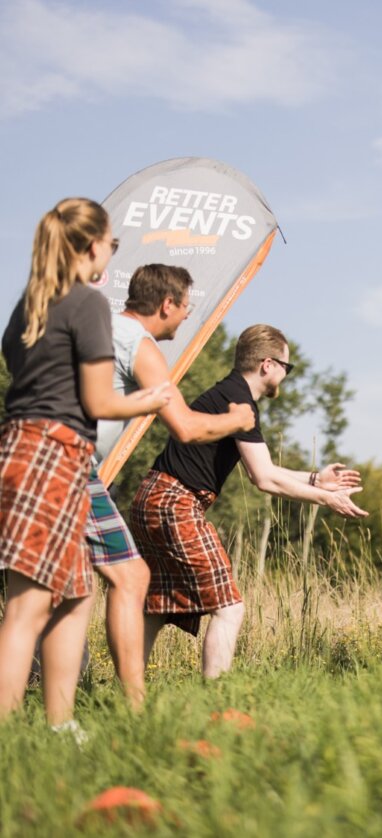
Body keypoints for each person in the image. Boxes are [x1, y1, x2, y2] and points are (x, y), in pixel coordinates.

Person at [0, 198, 170, 735]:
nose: (110, 255)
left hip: (36, 452)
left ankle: (59, 726)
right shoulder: (88, 304)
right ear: (92, 245)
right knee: (29, 605)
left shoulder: (29, 305)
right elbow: (98, 401)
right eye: (112, 245)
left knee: (76, 594)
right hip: (51, 452)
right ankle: (7, 741)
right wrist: (152, 398)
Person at [132, 324, 368, 678]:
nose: (286, 377)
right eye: (287, 368)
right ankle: (218, 702)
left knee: (157, 606)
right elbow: (265, 480)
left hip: (152, 498)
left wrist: (318, 479)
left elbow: (266, 467)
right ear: (268, 365)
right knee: (229, 607)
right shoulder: (238, 401)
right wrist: (327, 498)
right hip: (175, 503)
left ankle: (128, 698)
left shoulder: (231, 393)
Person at [85, 263, 255, 708]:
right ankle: (145, 705)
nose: (185, 317)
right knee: (140, 580)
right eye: (185, 307)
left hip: (47, 457)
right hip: (73, 465)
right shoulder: (138, 344)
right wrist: (236, 420)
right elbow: (186, 428)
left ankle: (95, 708)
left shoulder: (97, 327)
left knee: (75, 590)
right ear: (167, 304)